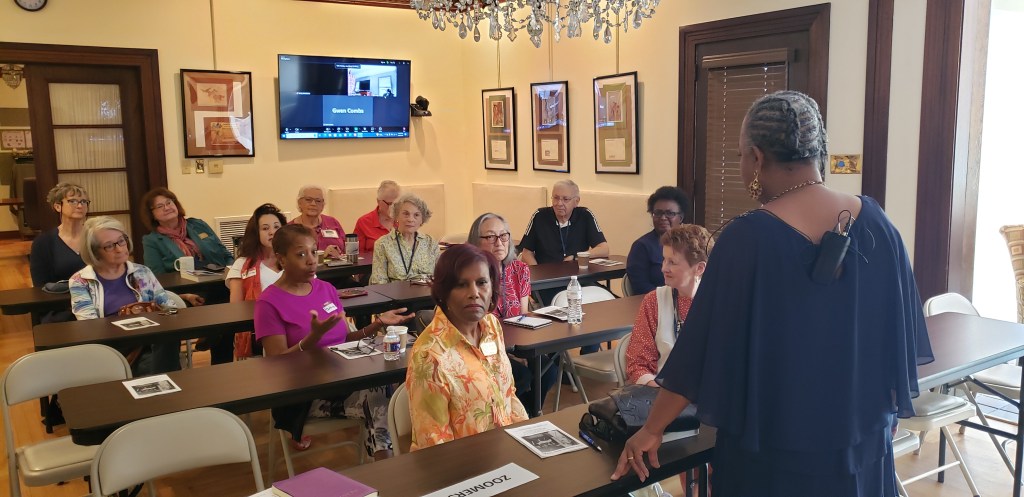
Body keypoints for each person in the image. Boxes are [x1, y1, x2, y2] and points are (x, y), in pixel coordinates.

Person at [611, 91, 933, 497]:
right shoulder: (878, 225)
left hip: (775, 453)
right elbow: (900, 336)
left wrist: (651, 430)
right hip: (860, 443)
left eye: (743, 157)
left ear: (758, 158)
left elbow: (700, 353)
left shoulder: (748, 239)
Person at [254, 224, 412, 457]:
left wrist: (377, 324)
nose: (311, 260)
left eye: (313, 251)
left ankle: (390, 465)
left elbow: (344, 340)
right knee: (378, 395)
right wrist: (312, 339)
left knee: (396, 388)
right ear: (282, 259)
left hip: (344, 379)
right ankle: (389, 468)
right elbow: (276, 365)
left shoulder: (326, 289)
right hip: (303, 396)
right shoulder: (268, 303)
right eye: (300, 254)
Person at [406, 244, 528, 450]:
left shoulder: (491, 326)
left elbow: (508, 395)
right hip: (465, 468)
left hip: (507, 450)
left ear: (492, 288)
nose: (474, 293)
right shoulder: (430, 356)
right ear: (443, 292)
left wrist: (528, 440)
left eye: (482, 283)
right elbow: (434, 446)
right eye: (461, 285)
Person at [69, 216, 203, 375]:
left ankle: (160, 385)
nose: (120, 249)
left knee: (167, 337)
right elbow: (90, 327)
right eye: (109, 246)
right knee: (161, 361)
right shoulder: (81, 282)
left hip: (150, 341)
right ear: (94, 251)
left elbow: (170, 309)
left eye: (121, 241)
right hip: (114, 349)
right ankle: (164, 387)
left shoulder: (142, 272)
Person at [468, 212, 557, 415]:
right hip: (484, 346)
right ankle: (513, 418)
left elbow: (523, 314)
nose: (499, 242)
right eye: (490, 237)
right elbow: (474, 328)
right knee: (523, 376)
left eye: (504, 236)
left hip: (517, 341)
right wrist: (506, 354)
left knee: (549, 370)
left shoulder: (519, 269)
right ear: (475, 241)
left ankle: (526, 417)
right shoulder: (471, 275)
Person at [141, 187, 234, 364]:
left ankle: (215, 339)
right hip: (186, 294)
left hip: (218, 283)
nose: (167, 207)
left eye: (169, 202)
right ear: (152, 214)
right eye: (160, 206)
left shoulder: (197, 224)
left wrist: (233, 270)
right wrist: (185, 295)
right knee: (223, 313)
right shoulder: (152, 241)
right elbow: (157, 278)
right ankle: (215, 335)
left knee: (227, 302)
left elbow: (224, 252)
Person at [625, 225, 711, 386]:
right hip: (662, 393)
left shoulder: (719, 304)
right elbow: (638, 364)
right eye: (664, 259)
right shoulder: (654, 301)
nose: (664, 268)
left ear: (699, 268)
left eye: (672, 262)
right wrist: (660, 395)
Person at [225, 203, 285, 360]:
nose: (272, 232)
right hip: (259, 328)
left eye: (276, 227)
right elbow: (236, 308)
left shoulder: (295, 259)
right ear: (256, 233)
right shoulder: (243, 264)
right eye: (265, 228)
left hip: (294, 322)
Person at [519, 179, 609, 266]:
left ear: (576, 201)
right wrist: (538, 275)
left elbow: (604, 249)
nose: (559, 203)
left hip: (576, 276)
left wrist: (577, 256)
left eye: (565, 199)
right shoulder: (539, 216)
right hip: (546, 276)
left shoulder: (585, 215)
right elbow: (526, 253)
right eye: (556, 198)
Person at [626, 187, 690, 295]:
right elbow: (640, 287)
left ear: (681, 217)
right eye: (658, 213)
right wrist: (672, 299)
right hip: (657, 304)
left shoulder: (690, 244)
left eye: (670, 213)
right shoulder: (642, 246)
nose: (663, 218)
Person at [369, 193, 440, 284]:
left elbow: (441, 278)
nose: (410, 219)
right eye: (406, 214)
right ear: (396, 216)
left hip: (427, 296)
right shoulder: (382, 243)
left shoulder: (431, 243)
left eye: (416, 215)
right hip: (396, 296)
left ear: (422, 219)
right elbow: (379, 282)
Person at [291, 184, 345, 260]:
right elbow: (290, 259)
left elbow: (345, 251)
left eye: (318, 201)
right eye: (308, 200)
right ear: (299, 203)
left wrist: (339, 255)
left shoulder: (332, 222)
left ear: (323, 205)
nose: (313, 204)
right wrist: (321, 256)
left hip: (336, 269)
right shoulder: (290, 229)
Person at [353, 180, 400, 253]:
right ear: (378, 201)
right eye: (389, 204)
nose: (393, 207)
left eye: (396, 204)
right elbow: (357, 255)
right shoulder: (364, 222)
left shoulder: (404, 220)